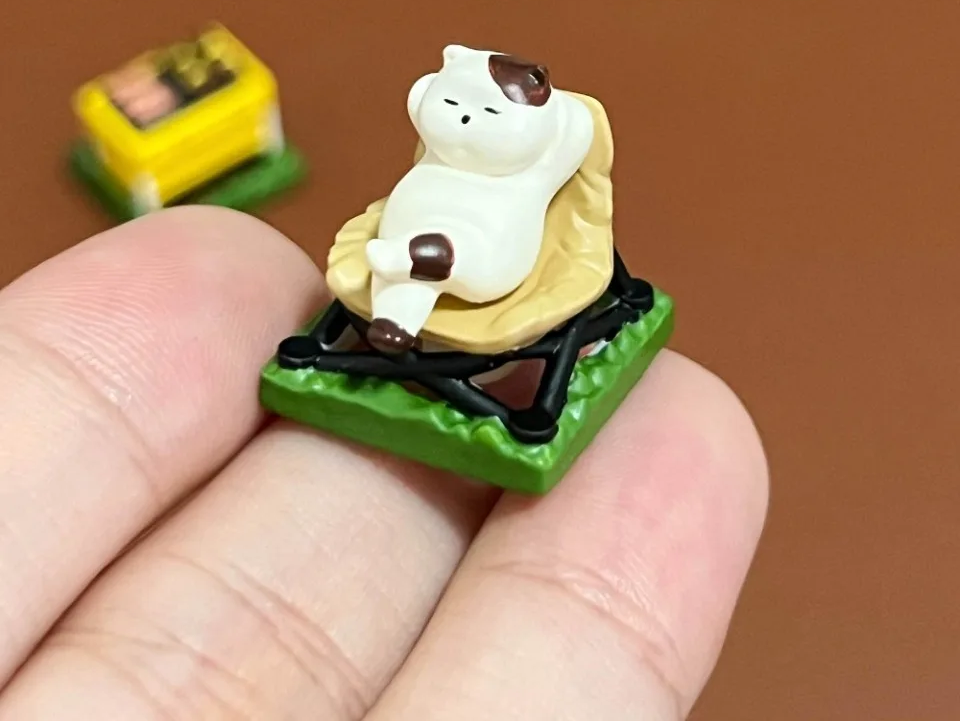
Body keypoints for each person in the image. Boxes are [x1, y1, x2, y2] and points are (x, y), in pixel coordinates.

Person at [0, 207, 768, 719]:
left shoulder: (555, 173)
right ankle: (396, 311)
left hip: (491, 266)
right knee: (401, 266)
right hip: (422, 246)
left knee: (451, 275)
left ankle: (416, 309)